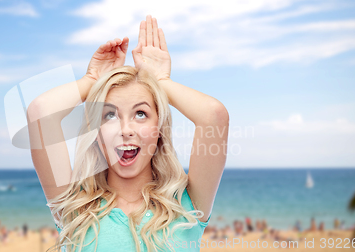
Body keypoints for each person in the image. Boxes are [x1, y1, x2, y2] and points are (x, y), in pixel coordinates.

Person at [27, 15, 228, 252]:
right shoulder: (75, 208)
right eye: (109, 115)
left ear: (159, 129)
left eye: (141, 114)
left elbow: (213, 115)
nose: (125, 130)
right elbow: (41, 112)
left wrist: (160, 81)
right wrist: (91, 80)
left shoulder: (187, 204)